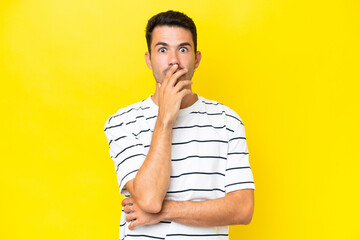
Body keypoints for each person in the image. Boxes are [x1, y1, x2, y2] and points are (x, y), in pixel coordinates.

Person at [104, 10, 255, 240]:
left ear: (196, 58)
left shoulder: (227, 121)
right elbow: (149, 199)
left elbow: (243, 208)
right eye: (162, 49)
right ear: (148, 59)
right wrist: (165, 119)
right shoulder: (122, 123)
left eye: (183, 49)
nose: (173, 60)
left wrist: (164, 212)